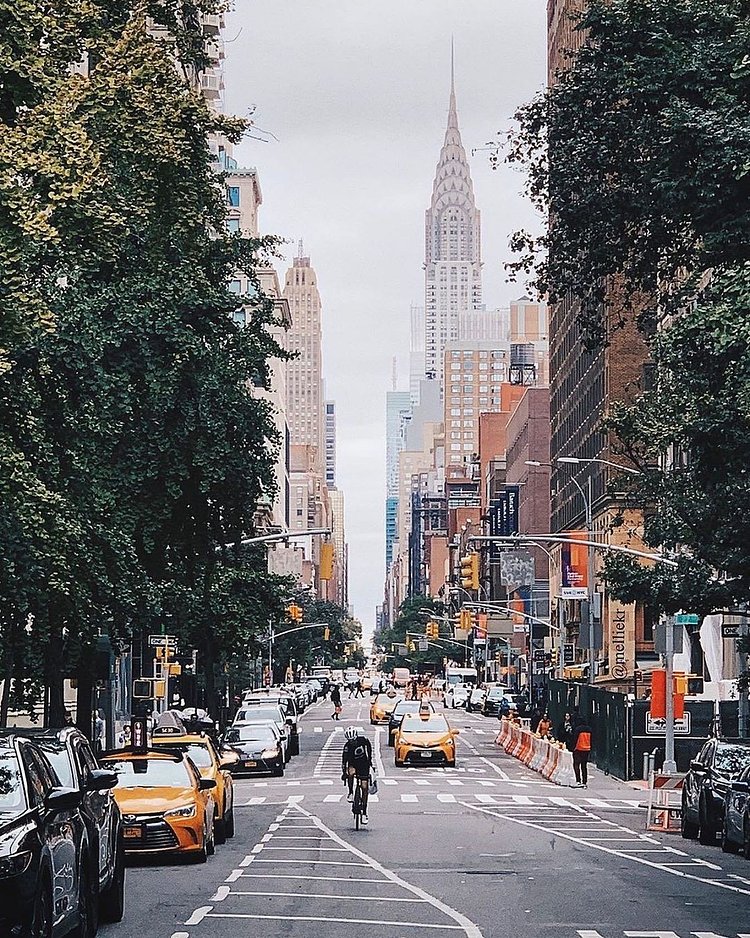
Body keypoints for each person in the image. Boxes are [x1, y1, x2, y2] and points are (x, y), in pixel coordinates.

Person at [341, 725, 373, 825]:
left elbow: (369, 750)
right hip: (353, 764)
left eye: (353, 741)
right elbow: (344, 761)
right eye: (350, 741)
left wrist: (370, 761)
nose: (352, 743)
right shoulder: (347, 747)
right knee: (350, 772)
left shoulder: (363, 740)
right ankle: (350, 792)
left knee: (364, 787)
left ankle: (364, 811)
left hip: (364, 765)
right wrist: (344, 773)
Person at [571, 714, 593, 788]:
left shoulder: (578, 729)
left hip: (578, 748)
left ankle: (578, 780)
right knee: (584, 766)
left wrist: (573, 748)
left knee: (576, 764)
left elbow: (575, 739)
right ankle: (584, 781)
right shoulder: (589, 729)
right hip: (587, 749)